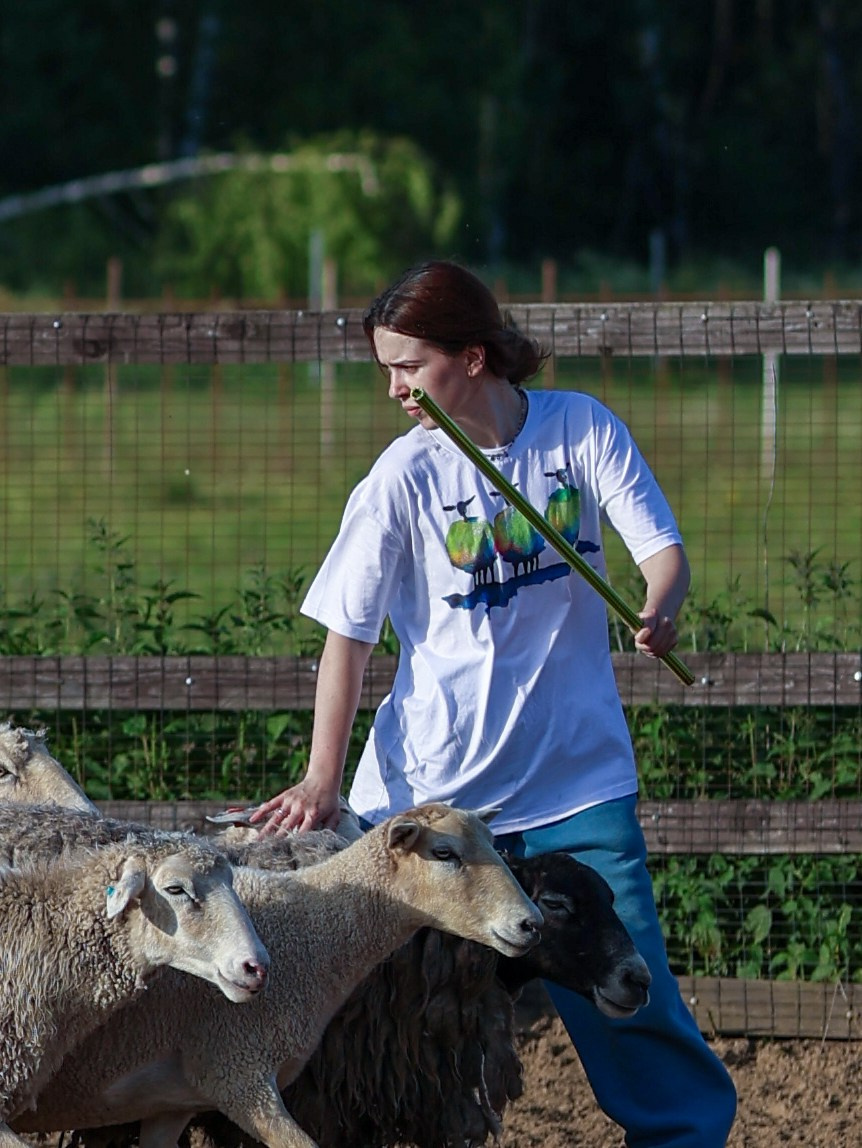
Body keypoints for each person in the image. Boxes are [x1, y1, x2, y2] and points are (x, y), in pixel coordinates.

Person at [251, 259, 737, 1146]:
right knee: (374, 1027)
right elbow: (347, 639)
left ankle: (681, 1133)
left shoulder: (580, 430)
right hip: (431, 811)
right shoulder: (401, 478)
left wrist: (661, 606)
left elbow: (660, 551)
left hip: (575, 793)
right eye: (385, 370)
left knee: (634, 1001)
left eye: (410, 365)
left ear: (473, 357)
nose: (395, 388)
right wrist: (323, 780)